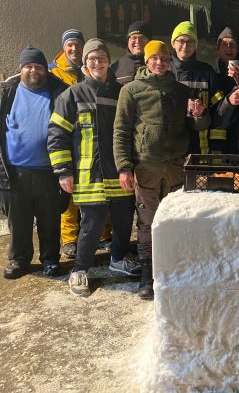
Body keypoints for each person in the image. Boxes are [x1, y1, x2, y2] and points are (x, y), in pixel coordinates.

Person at [114, 40, 210, 299]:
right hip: (146, 167)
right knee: (147, 223)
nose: (159, 62)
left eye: (164, 58)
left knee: (175, 220)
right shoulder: (131, 91)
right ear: (146, 61)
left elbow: (198, 127)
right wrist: (124, 167)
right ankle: (148, 274)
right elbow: (121, 130)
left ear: (169, 61)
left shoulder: (180, 90)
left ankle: (175, 269)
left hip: (177, 166)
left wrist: (199, 114)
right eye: (154, 58)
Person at [48, 39, 139, 297]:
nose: (96, 63)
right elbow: (56, 134)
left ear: (108, 61)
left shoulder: (122, 93)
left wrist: (131, 166)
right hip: (88, 176)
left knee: (123, 220)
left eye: (101, 58)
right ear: (85, 65)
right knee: (91, 225)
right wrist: (64, 170)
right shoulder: (72, 95)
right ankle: (79, 270)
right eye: (91, 59)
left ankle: (118, 258)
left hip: (119, 171)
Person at [1, 47, 66, 279]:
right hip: (15, 172)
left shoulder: (59, 92)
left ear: (45, 70)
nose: (33, 70)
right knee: (19, 221)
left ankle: (50, 260)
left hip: (49, 171)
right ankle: (19, 260)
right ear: (21, 69)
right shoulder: (7, 93)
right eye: (28, 66)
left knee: (50, 219)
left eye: (38, 66)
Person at [49, 29, 111, 259]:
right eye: (69, 45)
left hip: (92, 146)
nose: (73, 49)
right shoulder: (54, 74)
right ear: (64, 48)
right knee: (70, 197)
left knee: (101, 195)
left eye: (77, 45)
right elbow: (56, 125)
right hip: (72, 142)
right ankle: (70, 239)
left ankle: (104, 236)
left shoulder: (101, 77)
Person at [169, 21, 224, 154]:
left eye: (190, 42)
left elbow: (218, 111)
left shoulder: (207, 72)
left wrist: (203, 112)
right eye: (181, 41)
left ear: (196, 46)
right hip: (169, 148)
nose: (185, 46)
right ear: (173, 44)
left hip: (199, 148)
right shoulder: (165, 71)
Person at [214, 26, 239, 153]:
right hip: (220, 132)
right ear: (218, 49)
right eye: (224, 44)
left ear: (237, 49)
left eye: (232, 45)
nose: (229, 48)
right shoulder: (213, 74)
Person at [111, 21, 152, 85]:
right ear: (128, 41)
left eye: (142, 37)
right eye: (134, 38)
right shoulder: (116, 66)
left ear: (149, 40)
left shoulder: (158, 63)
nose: (138, 41)